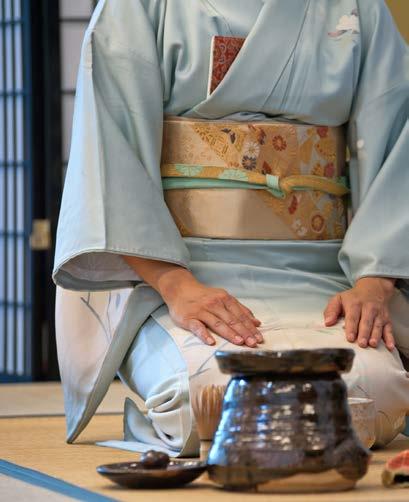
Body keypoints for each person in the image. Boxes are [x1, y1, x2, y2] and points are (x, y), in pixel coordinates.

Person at [53, 0, 409, 455]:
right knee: (211, 396)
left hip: (323, 278)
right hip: (178, 278)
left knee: (377, 389)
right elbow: (110, 147)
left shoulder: (357, 6)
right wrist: (176, 285)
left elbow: (397, 136)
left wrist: (373, 284)